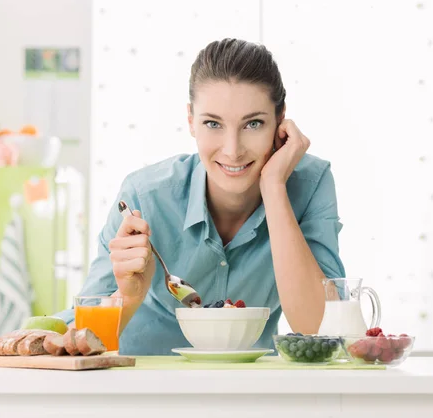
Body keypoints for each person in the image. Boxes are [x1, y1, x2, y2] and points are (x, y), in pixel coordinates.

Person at [55, 38, 346, 355]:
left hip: (251, 393)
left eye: (253, 123)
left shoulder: (309, 184)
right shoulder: (145, 196)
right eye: (213, 123)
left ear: (280, 121)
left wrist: (274, 187)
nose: (232, 150)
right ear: (191, 121)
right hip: (140, 388)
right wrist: (129, 295)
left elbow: (322, 329)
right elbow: (76, 340)